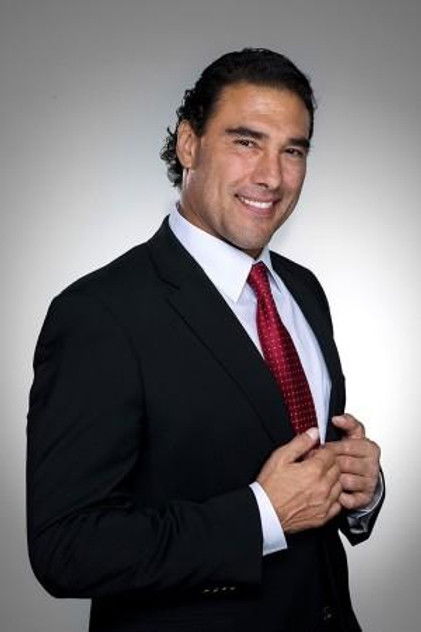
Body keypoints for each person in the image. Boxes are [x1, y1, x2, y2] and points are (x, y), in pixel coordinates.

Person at [26, 48, 384, 632]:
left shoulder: (303, 290)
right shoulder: (99, 313)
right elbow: (66, 547)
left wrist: (356, 489)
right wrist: (260, 516)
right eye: (246, 142)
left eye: (293, 151)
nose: (272, 176)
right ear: (188, 145)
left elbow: (304, 478)